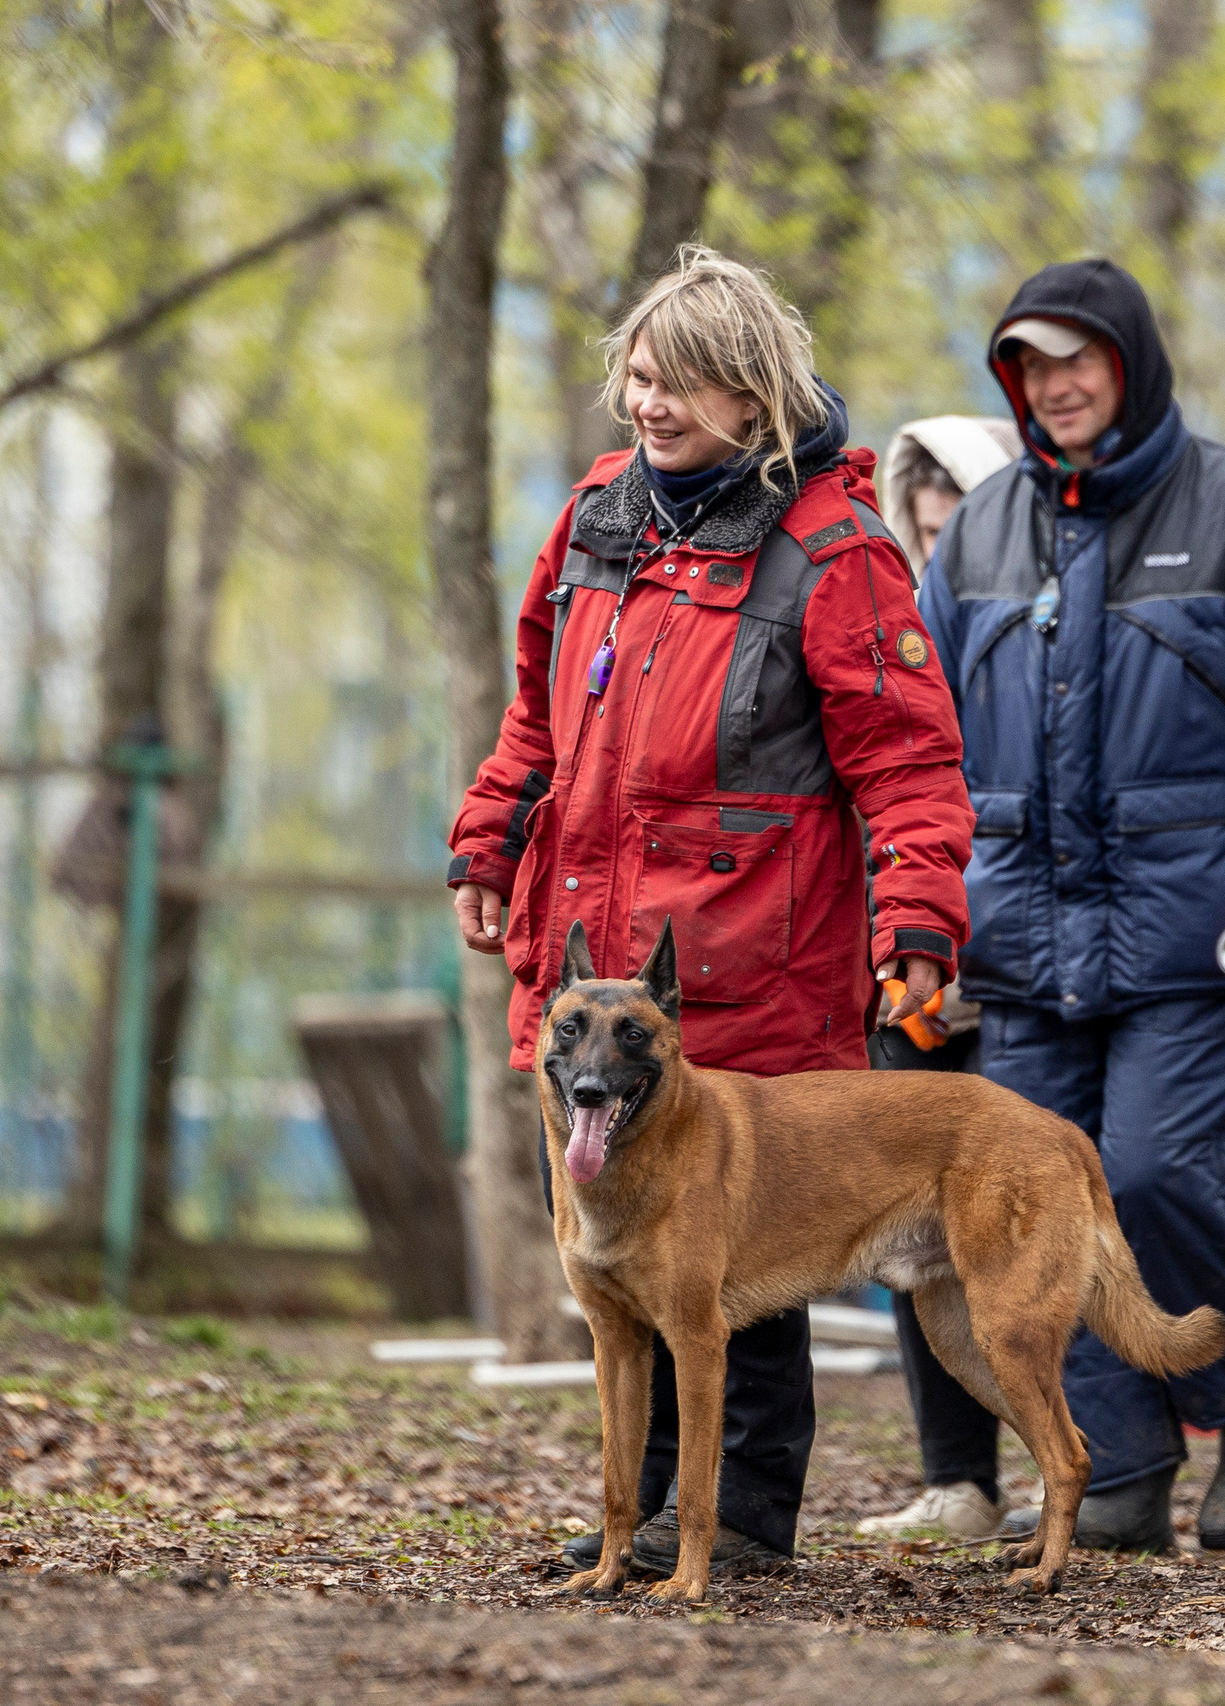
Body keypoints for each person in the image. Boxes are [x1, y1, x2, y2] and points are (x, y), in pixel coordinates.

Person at [445, 248, 974, 1579]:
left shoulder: (834, 550)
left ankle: (739, 1516)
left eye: (680, 380)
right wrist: (489, 835)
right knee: (622, 1235)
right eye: (637, 372)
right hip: (598, 954)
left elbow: (907, 759)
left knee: (739, 1241)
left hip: (756, 960)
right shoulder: (591, 524)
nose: (649, 401)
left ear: (756, 396)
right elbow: (536, 718)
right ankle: (648, 1507)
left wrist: (915, 919)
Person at [916, 258, 1225, 1553]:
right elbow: (917, 739)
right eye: (1031, 364)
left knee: (1160, 1173)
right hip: (1019, 944)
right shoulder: (981, 531)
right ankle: (1118, 1470)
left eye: (1079, 358)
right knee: (1036, 1216)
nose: (1056, 384)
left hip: (1196, 937)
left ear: (1131, 361)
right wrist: (912, 920)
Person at [855, 414, 1022, 1543]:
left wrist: (975, 944)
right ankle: (957, 1478)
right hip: (908, 975)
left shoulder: (1042, 638)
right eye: (923, 527)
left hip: (1016, 971)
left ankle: (1098, 1465)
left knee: (1028, 1231)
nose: (939, 545)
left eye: (959, 519)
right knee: (911, 1235)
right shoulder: (880, 630)